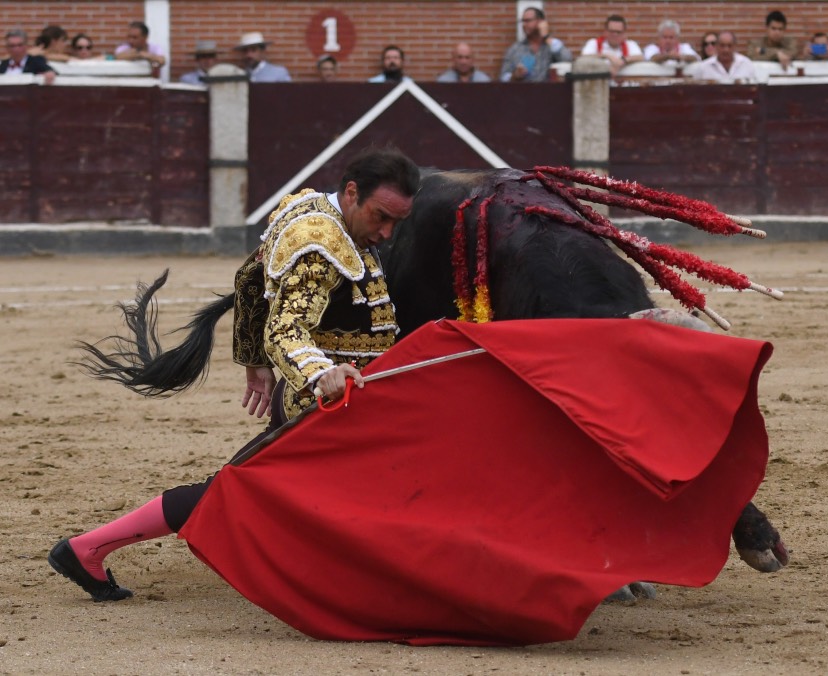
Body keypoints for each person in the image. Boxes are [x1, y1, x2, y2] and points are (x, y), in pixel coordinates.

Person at [47, 147, 421, 602]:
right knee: (237, 493)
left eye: (396, 223)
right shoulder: (321, 247)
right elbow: (287, 326)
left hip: (336, 398)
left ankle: (85, 549)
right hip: (329, 404)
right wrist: (319, 372)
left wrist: (253, 357)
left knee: (237, 488)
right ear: (351, 192)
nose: (386, 232)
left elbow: (248, 278)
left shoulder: (308, 207)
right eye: (381, 217)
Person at [500, 6, 572, 82]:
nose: (524, 25)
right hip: (523, 92)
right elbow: (503, 78)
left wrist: (546, 37)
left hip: (549, 92)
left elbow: (567, 59)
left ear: (540, 22)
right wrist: (514, 76)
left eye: (528, 21)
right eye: (523, 21)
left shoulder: (551, 45)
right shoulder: (515, 49)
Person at [691, 30, 756, 83]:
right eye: (722, 45)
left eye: (729, 46)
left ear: (735, 46)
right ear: (716, 46)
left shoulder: (746, 64)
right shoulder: (704, 67)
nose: (726, 50)